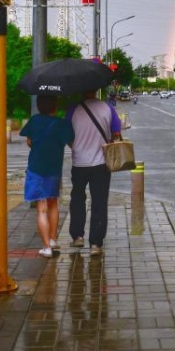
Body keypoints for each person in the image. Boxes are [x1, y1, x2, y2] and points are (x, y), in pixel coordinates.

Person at [66, 89, 122, 256]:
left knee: (77, 199)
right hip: (101, 164)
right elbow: (117, 133)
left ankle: (77, 237)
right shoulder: (108, 108)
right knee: (99, 202)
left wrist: (76, 147)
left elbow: (67, 135)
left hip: (79, 163)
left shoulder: (72, 109)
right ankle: (96, 244)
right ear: (96, 89)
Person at [20, 95, 75, 258]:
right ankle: (52, 239)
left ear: (38, 105)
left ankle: (46, 247)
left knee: (41, 209)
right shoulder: (62, 124)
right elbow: (70, 143)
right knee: (53, 204)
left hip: (36, 169)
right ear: (55, 106)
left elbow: (29, 142)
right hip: (54, 169)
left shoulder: (34, 121)